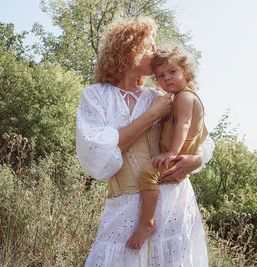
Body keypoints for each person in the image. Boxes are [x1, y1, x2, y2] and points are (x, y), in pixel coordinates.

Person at [76, 16, 214, 266]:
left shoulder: (160, 95)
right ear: (130, 50)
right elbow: (99, 152)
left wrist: (197, 159)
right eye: (149, 46)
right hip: (124, 204)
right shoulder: (96, 96)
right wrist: (152, 114)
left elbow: (196, 133)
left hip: (173, 200)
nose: (155, 52)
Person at [126, 45, 208, 250]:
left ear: (186, 72)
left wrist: (172, 152)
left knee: (147, 175)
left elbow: (184, 125)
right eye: (161, 75)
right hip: (178, 154)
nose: (167, 78)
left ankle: (147, 223)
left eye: (173, 72)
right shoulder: (177, 97)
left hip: (178, 157)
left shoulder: (186, 97)